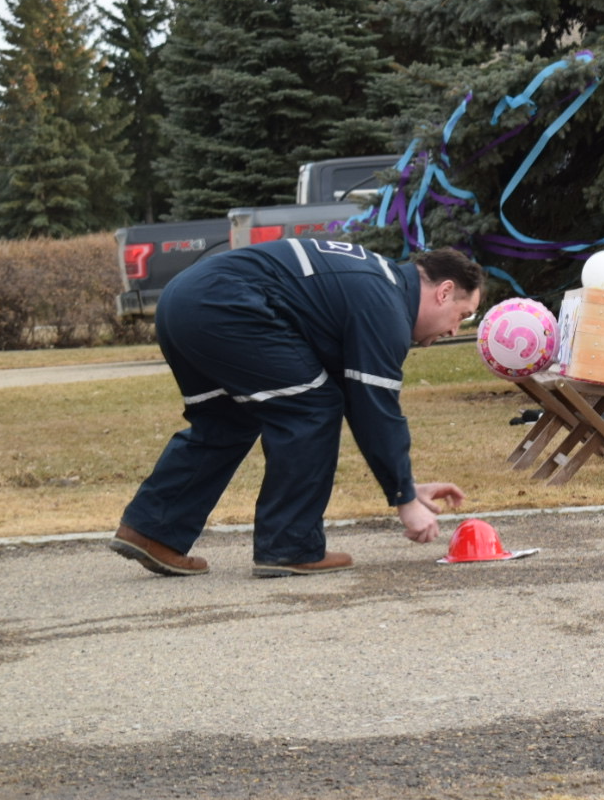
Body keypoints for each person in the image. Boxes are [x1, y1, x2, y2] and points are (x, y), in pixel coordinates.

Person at [110, 242, 484, 577]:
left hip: (183, 301)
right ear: (444, 291)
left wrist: (405, 484)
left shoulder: (374, 282)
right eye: (463, 314)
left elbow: (362, 401)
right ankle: (290, 546)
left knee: (226, 421)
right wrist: (403, 501)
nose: (455, 330)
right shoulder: (384, 302)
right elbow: (375, 407)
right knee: (312, 408)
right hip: (224, 304)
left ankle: (152, 530)